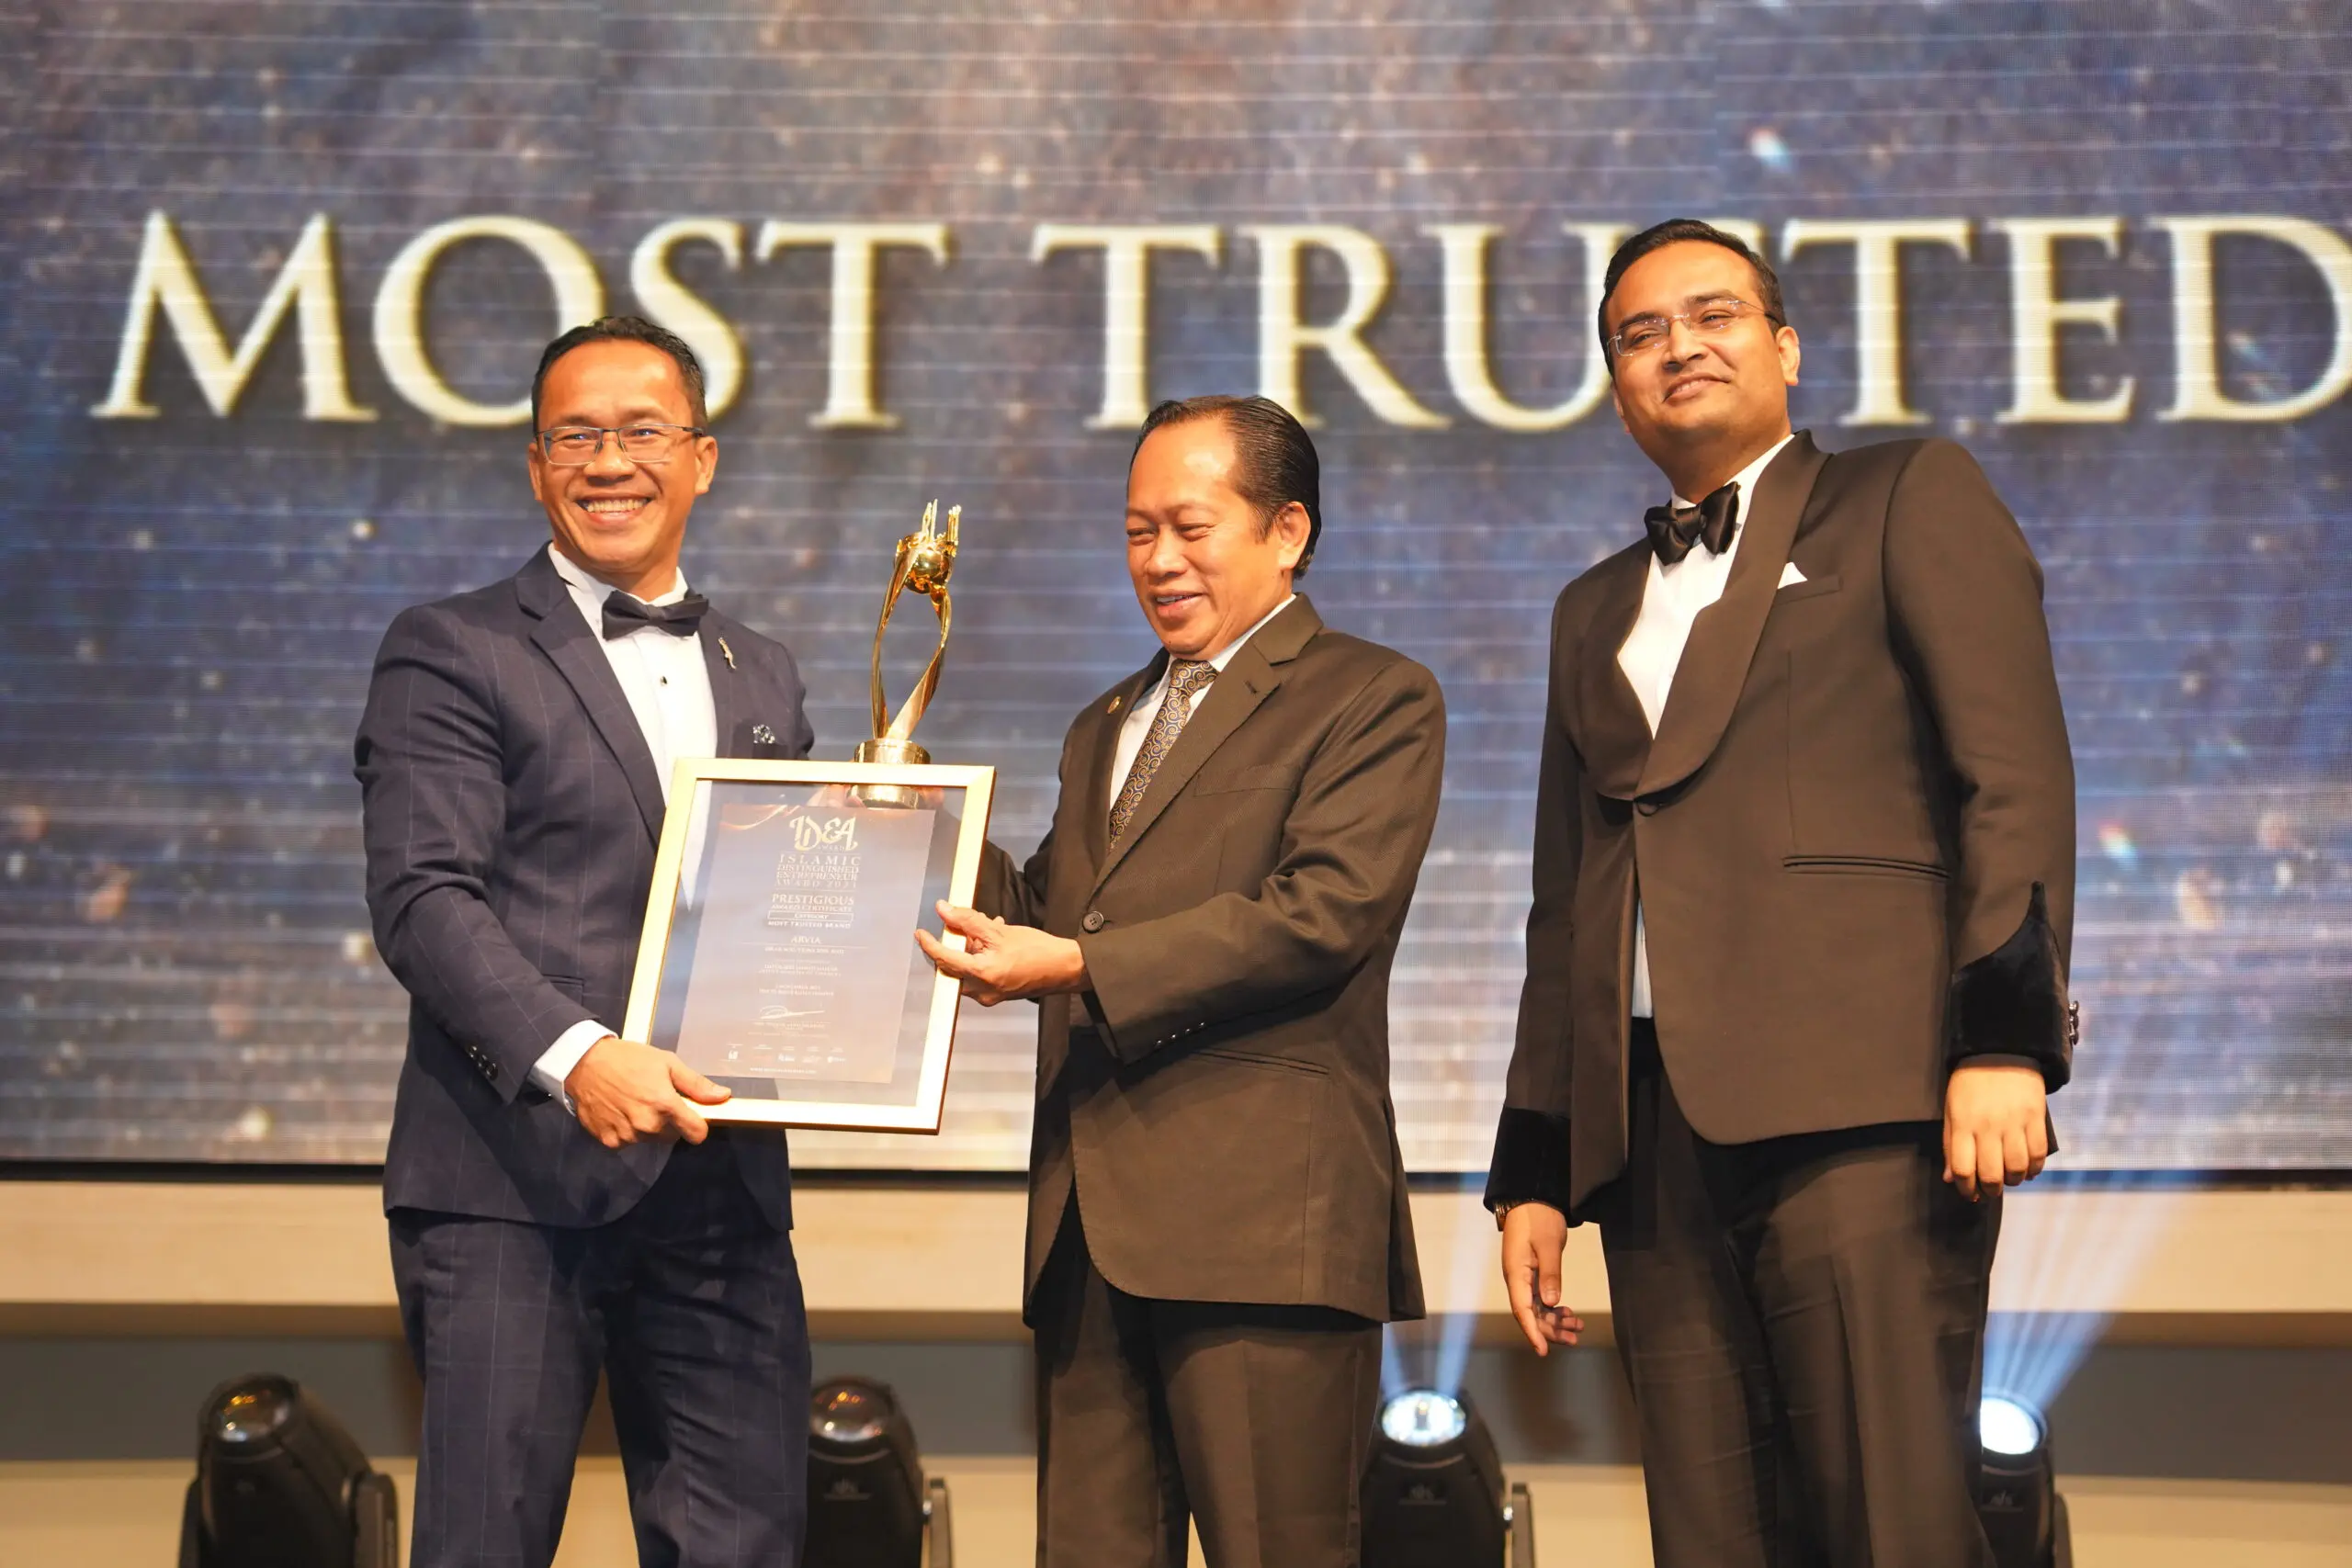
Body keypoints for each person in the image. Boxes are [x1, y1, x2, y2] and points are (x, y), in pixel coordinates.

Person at [1484, 220, 2077, 1566]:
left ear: (1786, 345)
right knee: (1710, 1534)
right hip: (1652, 1141)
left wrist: (2003, 1038)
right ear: (1615, 387)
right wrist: (1537, 1170)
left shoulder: (1905, 493)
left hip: (1861, 1100)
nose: (1679, 347)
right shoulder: (1590, 607)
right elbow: (1566, 902)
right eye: (1640, 334)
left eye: (1714, 315)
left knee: (1888, 1519)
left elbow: (2012, 775)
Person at [917, 395, 1442, 1568]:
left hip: (1264, 1232)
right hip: (1087, 1236)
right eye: (1136, 531)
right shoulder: (1106, 720)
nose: (1158, 560)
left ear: (1288, 531)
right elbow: (1053, 910)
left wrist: (1079, 964)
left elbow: (1323, 915)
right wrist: (912, 814)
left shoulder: (1371, 694)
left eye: (1190, 528)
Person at [355, 316, 816, 1568]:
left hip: (720, 1187)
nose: (610, 461)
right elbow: (423, 897)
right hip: (512, 1183)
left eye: (642, 431)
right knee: (485, 1543)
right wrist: (580, 1057)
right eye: (576, 436)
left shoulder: (764, 672)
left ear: (702, 458)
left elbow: (789, 907)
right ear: (535, 464)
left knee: (744, 1546)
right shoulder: (451, 647)